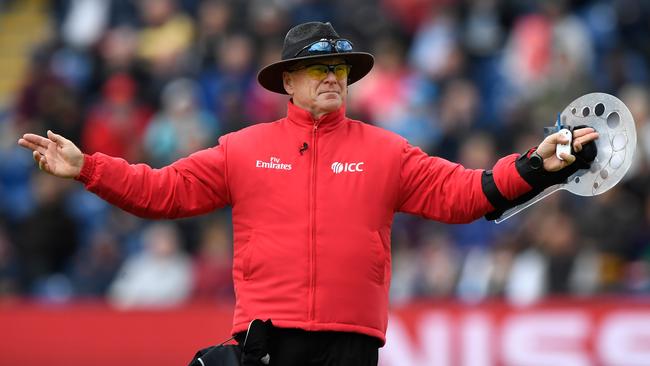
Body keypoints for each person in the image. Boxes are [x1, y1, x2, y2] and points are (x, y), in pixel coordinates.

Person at [18, 22, 599, 366]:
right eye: (318, 69)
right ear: (287, 81)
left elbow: (468, 194)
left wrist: (534, 165)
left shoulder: (388, 150)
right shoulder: (240, 148)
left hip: (352, 347)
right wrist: (89, 167)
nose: (331, 78)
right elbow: (161, 192)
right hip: (270, 342)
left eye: (340, 69)